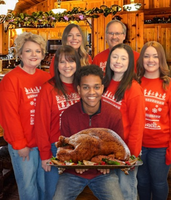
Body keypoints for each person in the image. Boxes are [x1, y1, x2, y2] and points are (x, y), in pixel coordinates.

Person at [50, 66, 124, 200]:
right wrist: (74, 165)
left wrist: (109, 165)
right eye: (86, 87)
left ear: (102, 88)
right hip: (73, 173)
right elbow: (65, 147)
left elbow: (118, 150)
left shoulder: (114, 115)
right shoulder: (67, 114)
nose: (91, 92)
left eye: (96, 87)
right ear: (78, 89)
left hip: (103, 174)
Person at [0, 32, 54, 200]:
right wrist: (20, 144)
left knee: (45, 185)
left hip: (44, 144)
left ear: (43, 54)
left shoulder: (46, 78)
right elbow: (9, 116)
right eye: (28, 51)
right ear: (20, 53)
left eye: (38, 51)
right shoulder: (10, 80)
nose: (34, 55)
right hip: (24, 146)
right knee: (28, 187)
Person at [136, 41, 171, 200]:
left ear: (161, 59)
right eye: (147, 56)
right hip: (139, 146)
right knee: (142, 182)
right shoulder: (135, 84)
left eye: (155, 56)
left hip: (161, 148)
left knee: (158, 183)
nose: (150, 60)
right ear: (141, 59)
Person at [35, 46, 84, 197]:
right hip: (55, 149)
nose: (67, 66)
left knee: (71, 193)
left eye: (71, 61)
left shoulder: (82, 87)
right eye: (62, 62)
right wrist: (45, 155)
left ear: (77, 63)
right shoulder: (48, 89)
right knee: (53, 193)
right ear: (56, 65)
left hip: (78, 149)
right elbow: (41, 124)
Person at [104, 43, 147, 199]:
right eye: (115, 57)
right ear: (109, 60)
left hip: (125, 152)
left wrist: (132, 156)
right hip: (106, 151)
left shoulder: (134, 89)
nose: (118, 61)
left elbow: (137, 125)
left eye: (123, 58)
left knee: (126, 193)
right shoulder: (105, 84)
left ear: (130, 63)